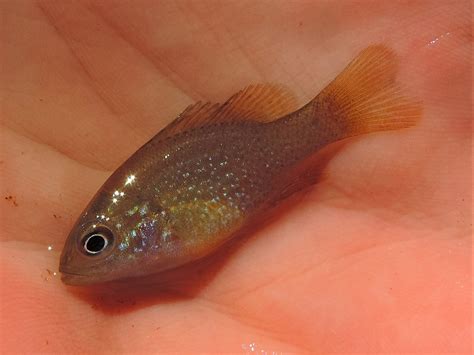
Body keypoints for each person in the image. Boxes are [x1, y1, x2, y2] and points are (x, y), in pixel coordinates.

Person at [0, 0, 471, 353]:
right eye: (94, 243)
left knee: (328, 121)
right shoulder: (144, 224)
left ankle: (338, 114)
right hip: (259, 173)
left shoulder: (154, 215)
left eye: (97, 243)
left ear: (140, 222)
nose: (84, 260)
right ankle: (339, 115)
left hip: (261, 165)